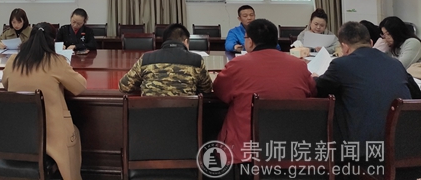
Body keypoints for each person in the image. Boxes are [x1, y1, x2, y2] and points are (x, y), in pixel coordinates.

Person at [213, 19, 316, 163]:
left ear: (250, 42)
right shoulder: (299, 65)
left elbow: (219, 91)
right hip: (292, 146)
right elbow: (312, 93)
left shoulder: (237, 64)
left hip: (246, 147)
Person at [315, 21, 421, 149]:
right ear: (371, 43)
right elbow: (416, 94)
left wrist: (315, 78)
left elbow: (318, 90)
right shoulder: (396, 64)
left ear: (344, 47)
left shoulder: (340, 65)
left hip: (364, 148)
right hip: (407, 146)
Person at [2, 22, 86, 180]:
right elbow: (80, 86)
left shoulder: (14, 60)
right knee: (74, 131)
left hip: (16, 133)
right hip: (51, 136)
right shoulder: (56, 61)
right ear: (53, 41)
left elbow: (5, 83)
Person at [118, 23, 213, 96]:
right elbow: (207, 89)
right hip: (186, 115)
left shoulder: (146, 58)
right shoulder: (196, 60)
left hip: (148, 115)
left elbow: (124, 86)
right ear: (186, 41)